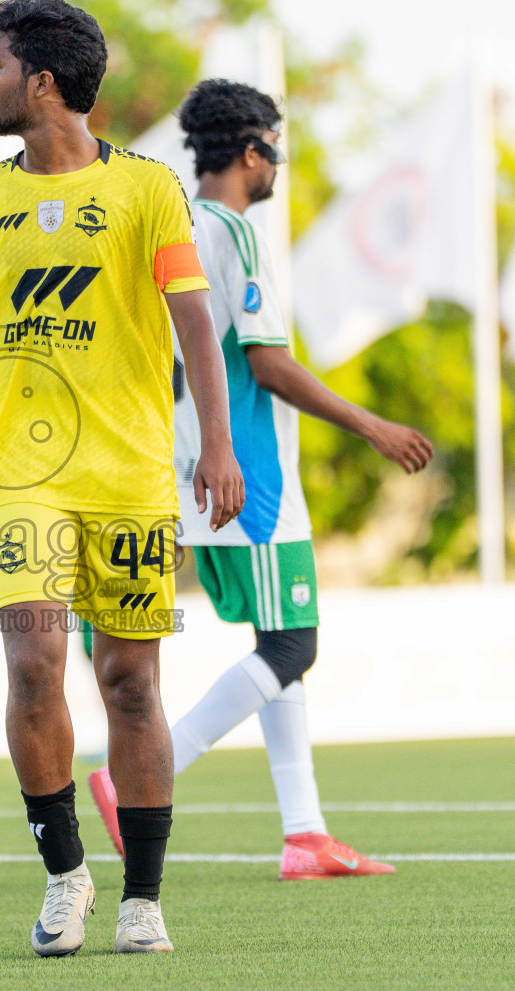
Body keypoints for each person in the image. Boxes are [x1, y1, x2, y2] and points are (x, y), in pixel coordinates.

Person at [0, 0, 244, 956]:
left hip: (131, 473)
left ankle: (143, 897)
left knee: (131, 685)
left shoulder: (150, 190)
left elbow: (194, 324)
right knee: (32, 667)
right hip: (16, 476)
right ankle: (67, 874)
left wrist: (217, 447)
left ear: (44, 83)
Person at [88, 79, 433, 880]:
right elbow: (269, 364)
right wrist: (372, 425)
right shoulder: (233, 234)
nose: (275, 164)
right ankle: (134, 771)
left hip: (192, 472)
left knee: (274, 641)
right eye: (273, 148)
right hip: (251, 478)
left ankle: (305, 834)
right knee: (291, 642)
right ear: (251, 152)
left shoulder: (169, 227)